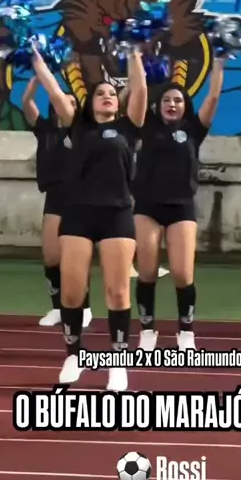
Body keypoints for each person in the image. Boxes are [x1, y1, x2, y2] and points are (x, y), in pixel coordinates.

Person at [31, 47, 147, 391]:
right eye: (100, 93)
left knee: (117, 292)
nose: (107, 96)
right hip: (78, 214)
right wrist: (35, 57)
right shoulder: (77, 126)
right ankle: (73, 355)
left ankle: (118, 364)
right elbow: (53, 90)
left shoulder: (128, 127)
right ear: (90, 102)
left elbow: (140, 88)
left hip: (116, 215)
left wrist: (134, 51)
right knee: (71, 292)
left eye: (112, 93)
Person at [133, 58, 224, 351]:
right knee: (147, 273)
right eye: (167, 100)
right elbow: (137, 92)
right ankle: (147, 331)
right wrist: (135, 56)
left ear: (186, 106)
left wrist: (219, 62)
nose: (172, 104)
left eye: (178, 100)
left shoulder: (194, 129)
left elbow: (213, 97)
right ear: (158, 105)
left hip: (181, 207)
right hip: (147, 207)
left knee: (183, 274)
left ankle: (186, 332)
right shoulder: (145, 125)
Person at [22, 77, 93, 329]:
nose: (67, 105)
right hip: (54, 197)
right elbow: (27, 103)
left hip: (80, 198)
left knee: (75, 258)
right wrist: (36, 79)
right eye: (62, 101)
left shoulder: (83, 132)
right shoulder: (46, 130)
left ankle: (84, 307)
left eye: (72, 102)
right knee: (51, 257)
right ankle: (57, 308)